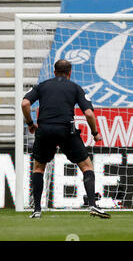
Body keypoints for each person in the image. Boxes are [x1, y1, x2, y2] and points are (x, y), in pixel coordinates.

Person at [22, 59, 110, 219]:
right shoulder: (75, 87)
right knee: (86, 166)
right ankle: (92, 205)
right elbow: (89, 114)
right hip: (66, 130)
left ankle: (36, 210)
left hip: (45, 130)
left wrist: (30, 123)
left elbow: (25, 103)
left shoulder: (42, 86)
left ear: (54, 72)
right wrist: (95, 132)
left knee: (39, 168)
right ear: (70, 73)